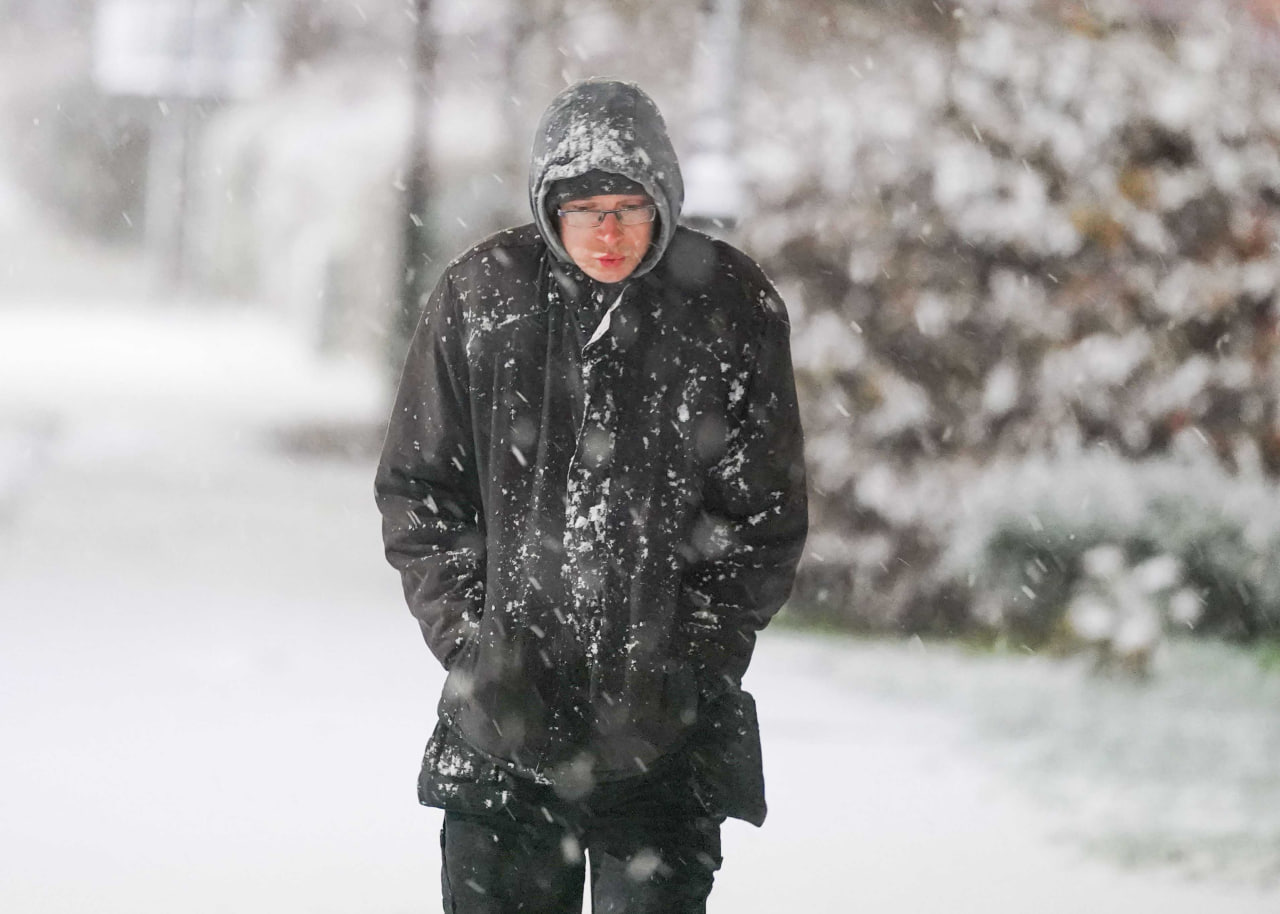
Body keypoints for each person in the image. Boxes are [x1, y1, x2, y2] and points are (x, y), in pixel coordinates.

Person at [374, 77, 807, 914]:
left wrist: (695, 659)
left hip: (667, 742)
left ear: (664, 201)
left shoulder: (730, 307)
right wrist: (475, 642)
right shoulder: (483, 298)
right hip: (502, 732)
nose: (607, 233)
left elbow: (763, 515)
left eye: (628, 208)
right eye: (584, 210)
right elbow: (420, 491)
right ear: (549, 208)